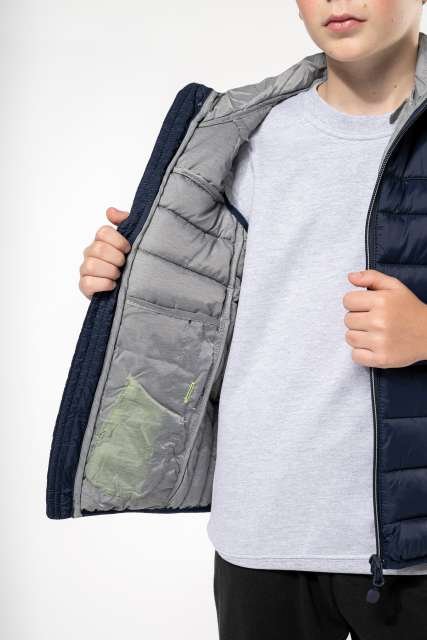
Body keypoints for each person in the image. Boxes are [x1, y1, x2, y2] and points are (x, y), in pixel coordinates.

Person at [77, 1, 427, 638]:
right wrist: (125, 274)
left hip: (415, 546)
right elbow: (199, 301)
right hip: (261, 531)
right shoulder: (241, 133)